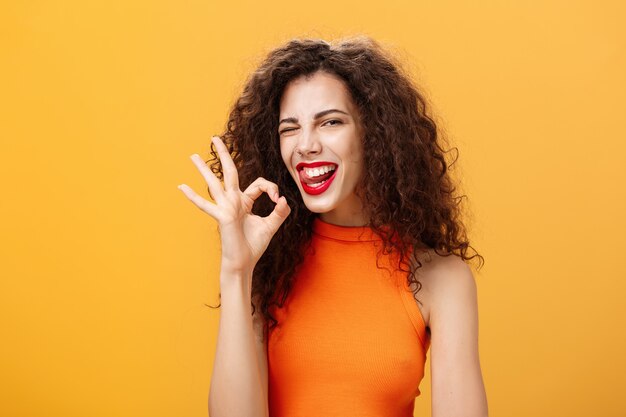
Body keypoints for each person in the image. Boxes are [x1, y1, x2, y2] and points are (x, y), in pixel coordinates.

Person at [178, 36, 488, 417]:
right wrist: (237, 271)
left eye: (330, 122)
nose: (306, 145)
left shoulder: (440, 277)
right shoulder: (268, 264)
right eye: (289, 128)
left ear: (373, 133)